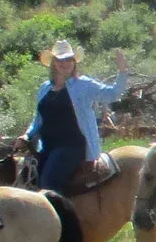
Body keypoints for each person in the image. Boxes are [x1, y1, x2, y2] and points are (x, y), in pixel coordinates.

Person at [24, 40, 130, 194]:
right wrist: (26, 135)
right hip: (47, 146)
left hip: (72, 146)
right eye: (60, 60)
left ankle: (57, 217)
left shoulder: (84, 85)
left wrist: (122, 71)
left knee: (48, 184)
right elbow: (38, 119)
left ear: (74, 63)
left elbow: (113, 93)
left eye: (68, 59)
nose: (64, 63)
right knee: (27, 178)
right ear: (54, 63)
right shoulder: (45, 88)